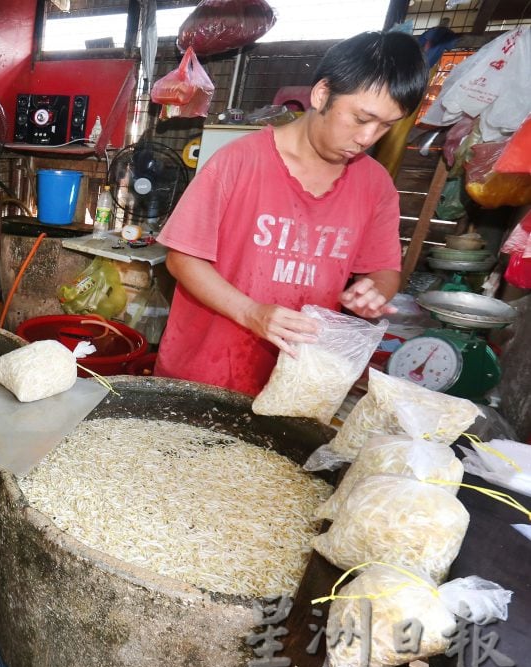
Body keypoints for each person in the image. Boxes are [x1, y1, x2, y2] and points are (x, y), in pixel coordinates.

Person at [153, 31, 428, 397]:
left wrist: (373, 291)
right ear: (322, 94)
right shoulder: (239, 161)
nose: (368, 137)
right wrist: (252, 313)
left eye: (385, 126)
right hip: (203, 374)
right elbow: (182, 259)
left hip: (294, 383)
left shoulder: (375, 185)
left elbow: (383, 269)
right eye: (362, 118)